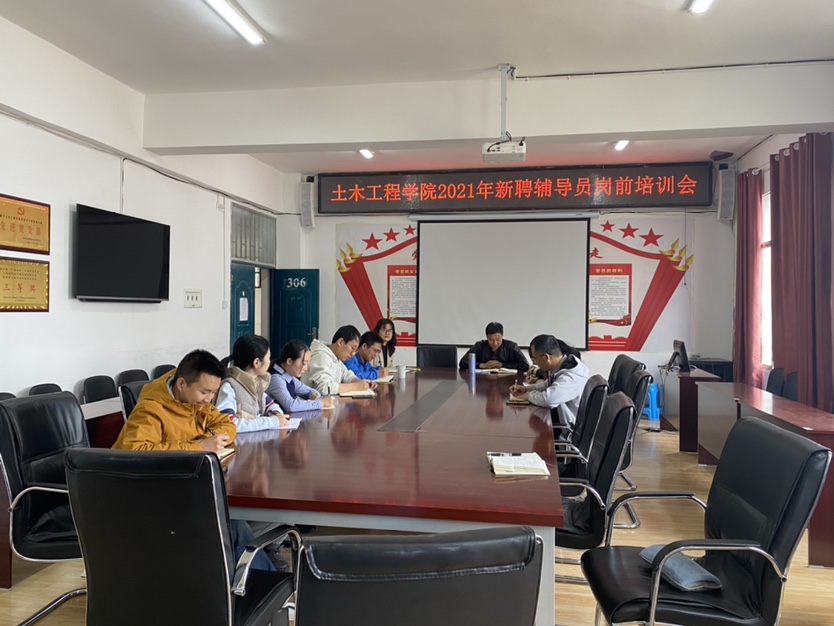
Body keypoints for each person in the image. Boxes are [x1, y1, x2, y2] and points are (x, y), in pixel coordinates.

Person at [112, 349, 276, 570]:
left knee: (251, 518)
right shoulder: (151, 409)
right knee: (232, 525)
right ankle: (261, 583)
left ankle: (250, 578)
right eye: (205, 392)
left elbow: (226, 423)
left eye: (213, 393)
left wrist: (210, 438)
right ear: (181, 384)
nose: (209, 400)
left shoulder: (195, 401)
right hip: (148, 494)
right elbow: (135, 452)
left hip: (183, 483)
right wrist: (199, 446)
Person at [509, 335, 590, 428]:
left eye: (535, 359)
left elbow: (549, 399)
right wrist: (525, 389)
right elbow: (547, 385)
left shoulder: (571, 377)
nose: (535, 364)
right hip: (559, 418)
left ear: (546, 357)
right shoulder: (560, 366)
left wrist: (528, 395)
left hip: (569, 429)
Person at [215, 334, 290, 432]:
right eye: (268, 358)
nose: (270, 361)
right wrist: (272, 421)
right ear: (257, 362)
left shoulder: (256, 384)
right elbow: (228, 424)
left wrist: (275, 414)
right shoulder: (230, 387)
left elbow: (271, 404)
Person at [302, 325, 377, 395]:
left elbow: (347, 375)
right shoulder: (321, 356)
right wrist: (356, 386)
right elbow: (324, 388)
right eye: (353, 348)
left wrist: (362, 383)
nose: (353, 354)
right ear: (340, 342)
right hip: (311, 403)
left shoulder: (336, 358)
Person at [267, 339, 334, 413]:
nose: (305, 369)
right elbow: (291, 406)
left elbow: (309, 391)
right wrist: (320, 403)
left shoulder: (289, 377)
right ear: (289, 361)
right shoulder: (276, 379)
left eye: (308, 364)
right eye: (304, 363)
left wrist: (313, 395)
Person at [459, 321, 529, 371]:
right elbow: (463, 362)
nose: (495, 343)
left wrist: (502, 365)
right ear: (487, 337)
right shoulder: (479, 346)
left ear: (502, 336)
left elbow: (525, 365)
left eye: (498, 339)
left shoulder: (511, 346)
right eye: (491, 340)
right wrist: (482, 365)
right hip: (483, 381)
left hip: (506, 382)